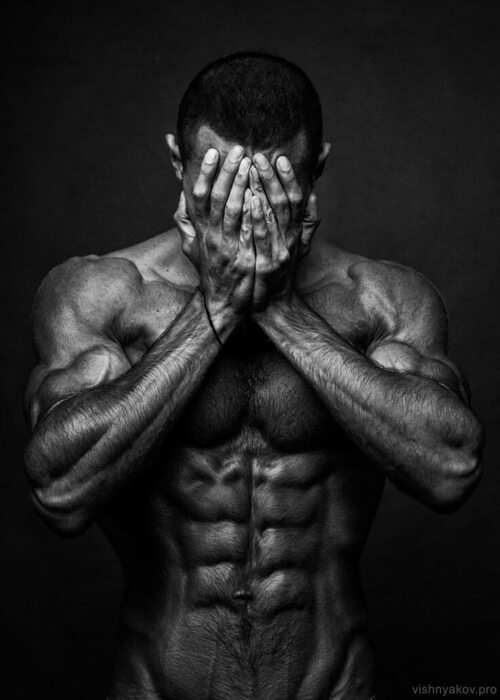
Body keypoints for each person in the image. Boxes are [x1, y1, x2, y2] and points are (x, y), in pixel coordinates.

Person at [23, 52, 484, 700]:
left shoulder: (379, 299)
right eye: (223, 185)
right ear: (179, 163)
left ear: (316, 168)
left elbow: (452, 469)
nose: (247, 212)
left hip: (332, 683)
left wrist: (279, 309)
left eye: (270, 187)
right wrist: (214, 308)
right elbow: (59, 492)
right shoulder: (106, 296)